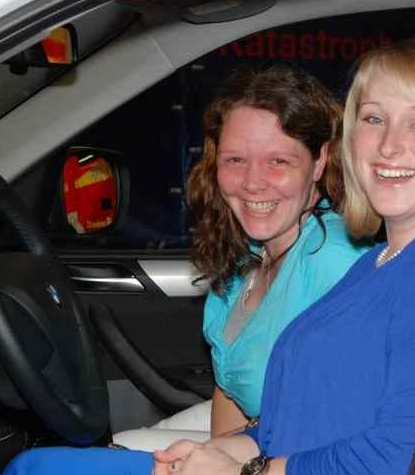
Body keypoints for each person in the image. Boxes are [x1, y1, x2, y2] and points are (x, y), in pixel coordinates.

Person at [0, 36, 415, 475]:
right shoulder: (384, 261)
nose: (389, 145)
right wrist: (221, 454)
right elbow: (304, 419)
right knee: (32, 471)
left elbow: (401, 460)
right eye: (373, 119)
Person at [112, 66, 369, 450]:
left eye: (278, 161)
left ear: (319, 162)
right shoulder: (248, 252)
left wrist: (220, 471)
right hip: (256, 433)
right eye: (235, 160)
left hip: (297, 456)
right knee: (113, 450)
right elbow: (229, 391)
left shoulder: (337, 263)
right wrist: (216, 456)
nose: (252, 183)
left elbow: (342, 428)